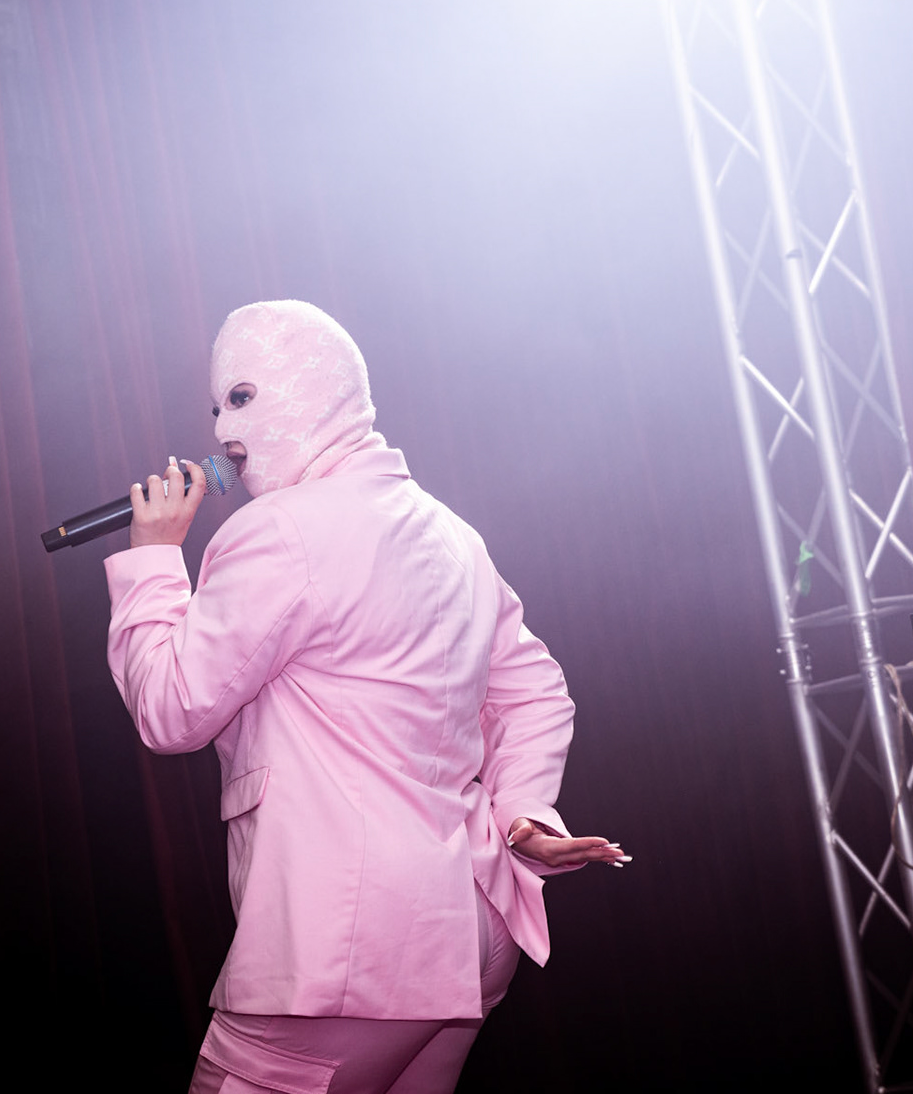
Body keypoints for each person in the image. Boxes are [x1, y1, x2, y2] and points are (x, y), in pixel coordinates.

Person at [104, 300, 626, 1094]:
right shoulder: (453, 535)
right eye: (215, 407)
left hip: (352, 947)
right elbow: (537, 692)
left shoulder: (277, 529)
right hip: (471, 926)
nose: (222, 430)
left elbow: (170, 707)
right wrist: (524, 811)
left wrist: (151, 560)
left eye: (241, 396)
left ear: (316, 388)